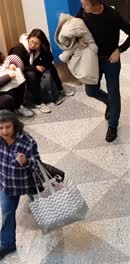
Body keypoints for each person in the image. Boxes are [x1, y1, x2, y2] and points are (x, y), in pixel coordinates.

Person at [77, 0, 130, 142]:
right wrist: (79, 40)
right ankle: (108, 103)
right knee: (90, 91)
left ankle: (113, 126)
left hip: (111, 61)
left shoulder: (113, 15)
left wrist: (119, 50)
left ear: (96, 5)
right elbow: (76, 27)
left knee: (114, 92)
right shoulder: (83, 12)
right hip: (93, 61)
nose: (82, 6)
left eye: (85, 4)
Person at [0, 110, 41, 260]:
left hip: (26, 182)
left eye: (7, 127)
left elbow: (37, 163)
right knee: (7, 213)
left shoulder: (27, 141)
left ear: (14, 125)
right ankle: (7, 244)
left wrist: (27, 162)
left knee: (41, 203)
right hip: (7, 185)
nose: (4, 131)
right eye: (1, 128)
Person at [9, 29, 74, 114]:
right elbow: (19, 67)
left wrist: (44, 48)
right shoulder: (20, 48)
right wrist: (35, 68)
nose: (32, 45)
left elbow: (49, 59)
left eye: (37, 43)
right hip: (23, 72)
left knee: (50, 66)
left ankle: (60, 88)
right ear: (28, 38)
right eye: (31, 41)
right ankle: (38, 102)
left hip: (34, 67)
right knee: (31, 74)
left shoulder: (41, 48)